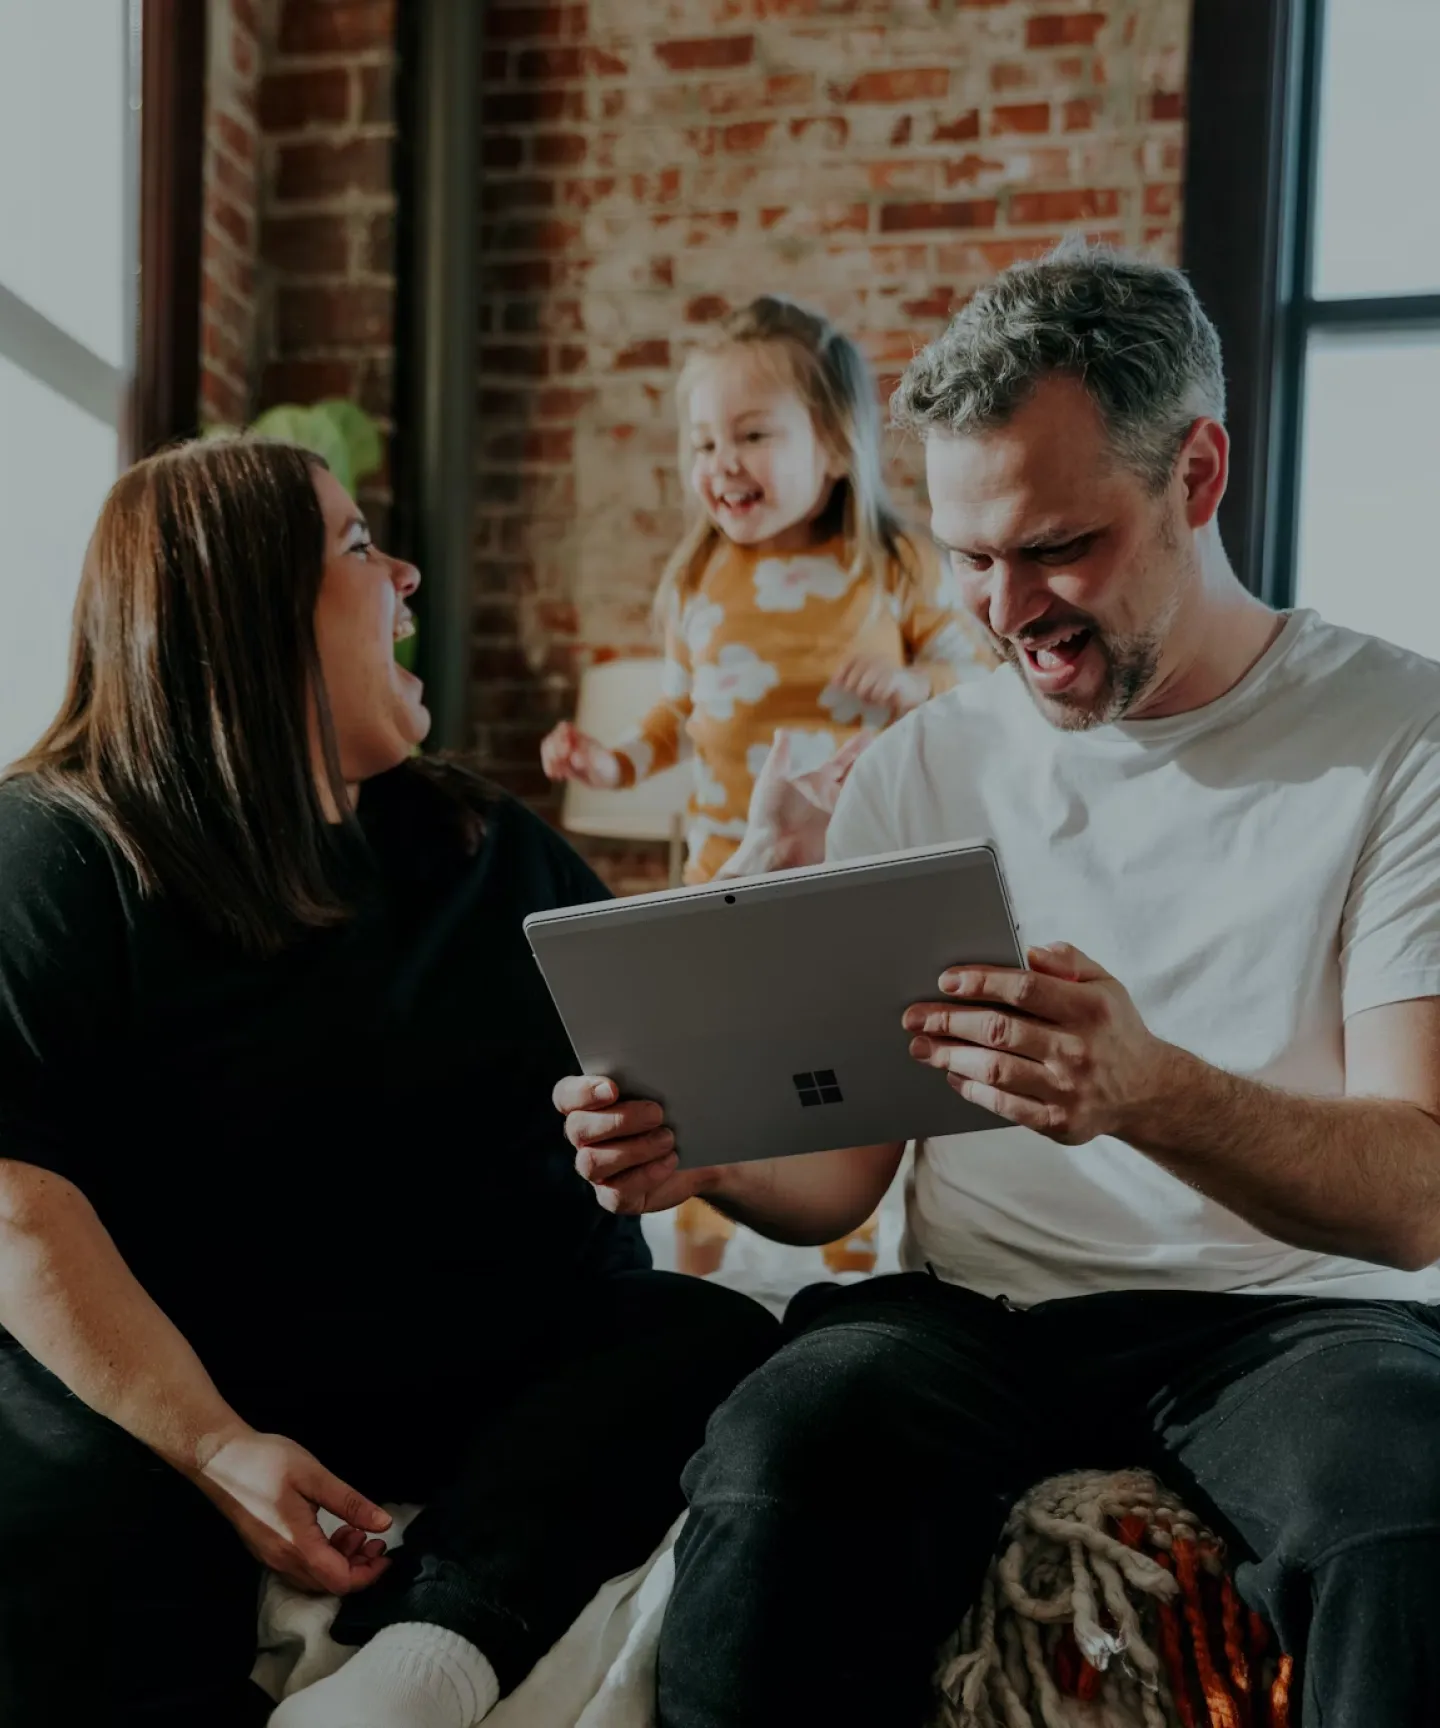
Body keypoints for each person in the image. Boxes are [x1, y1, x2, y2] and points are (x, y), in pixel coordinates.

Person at [557, 244, 1440, 1728]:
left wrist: (1154, 1095)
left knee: (1412, 1519)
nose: (1005, 606)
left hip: (1296, 1317)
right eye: (969, 556)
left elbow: (1415, 1188)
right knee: (779, 1460)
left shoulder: (1400, 737)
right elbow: (842, 1179)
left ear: (1199, 474)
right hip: (977, 1310)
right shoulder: (928, 764)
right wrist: (701, 1150)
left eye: (1057, 547)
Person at [0, 439, 776, 1728]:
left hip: (472, 1375)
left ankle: (426, 1657)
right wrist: (210, 1445)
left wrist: (765, 900)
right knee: (45, 1447)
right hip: (205, 1376)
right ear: (245, 614)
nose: (405, 572)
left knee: (704, 1339)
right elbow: (14, 1197)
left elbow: (700, 1064)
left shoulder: (478, 843)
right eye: (359, 546)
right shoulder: (54, 849)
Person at [540, 293, 992, 1277]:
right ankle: (701, 1279)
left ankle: (852, 1277)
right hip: (726, 874)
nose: (720, 464)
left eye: (751, 434)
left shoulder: (895, 562)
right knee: (713, 1084)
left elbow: (983, 694)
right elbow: (675, 721)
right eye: (702, 442)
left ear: (834, 446)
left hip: (854, 880)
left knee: (848, 1085)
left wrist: (918, 687)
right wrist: (611, 764)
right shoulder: (699, 582)